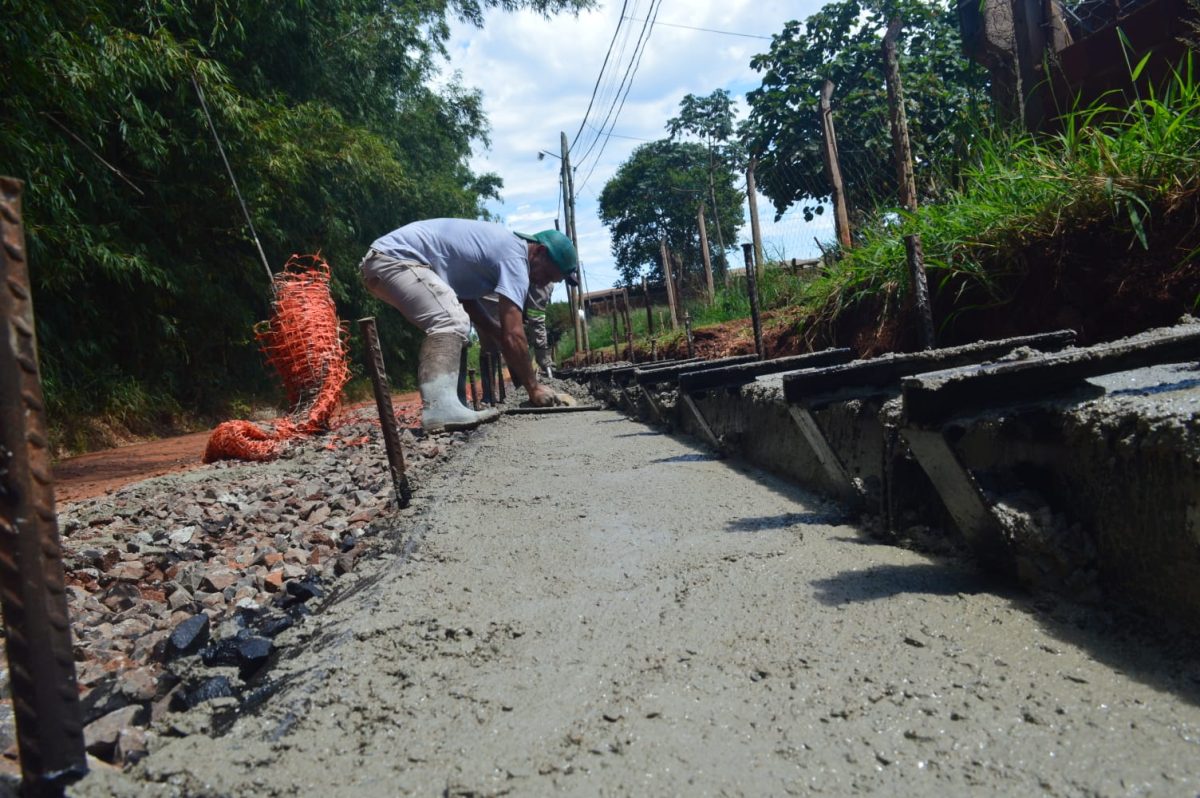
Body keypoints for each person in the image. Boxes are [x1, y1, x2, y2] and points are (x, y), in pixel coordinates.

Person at [360, 218, 579, 431]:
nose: (544, 282)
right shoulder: (516, 258)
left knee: (455, 321)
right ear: (539, 252)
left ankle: (453, 406)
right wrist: (534, 387)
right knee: (450, 321)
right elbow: (514, 334)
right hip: (396, 259)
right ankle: (440, 409)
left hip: (387, 260)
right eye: (548, 274)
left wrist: (494, 331)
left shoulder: (503, 251)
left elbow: (465, 300)